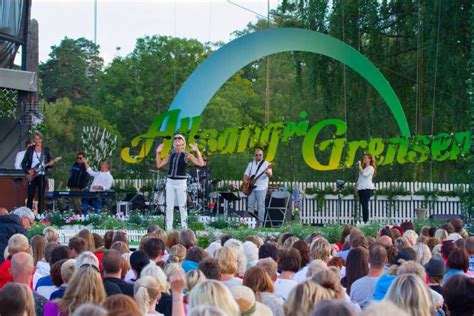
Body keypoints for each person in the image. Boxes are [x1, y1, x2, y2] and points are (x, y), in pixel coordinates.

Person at [155, 133, 205, 231]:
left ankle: (184, 230)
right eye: (175, 138)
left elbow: (201, 163)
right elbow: (159, 165)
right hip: (170, 182)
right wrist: (158, 153)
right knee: (169, 207)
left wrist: (197, 151)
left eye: (179, 138)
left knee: (183, 207)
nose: (177, 139)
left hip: (181, 182)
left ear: (183, 143)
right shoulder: (171, 155)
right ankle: (168, 230)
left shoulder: (187, 155)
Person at [21, 131, 57, 214]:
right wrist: (28, 171)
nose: (36, 141)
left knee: (41, 196)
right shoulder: (30, 149)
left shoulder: (46, 150)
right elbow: (23, 163)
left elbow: (50, 163)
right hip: (32, 175)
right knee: (30, 196)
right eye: (35, 139)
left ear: (41, 140)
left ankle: (40, 215)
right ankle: (28, 214)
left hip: (42, 175)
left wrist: (51, 164)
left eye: (38, 139)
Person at [243, 148, 273, 225]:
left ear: (263, 155)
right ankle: (250, 223)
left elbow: (270, 175)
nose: (258, 156)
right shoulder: (251, 163)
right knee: (250, 205)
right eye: (257, 155)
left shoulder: (267, 164)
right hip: (251, 187)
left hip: (262, 187)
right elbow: (246, 174)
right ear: (255, 155)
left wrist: (267, 173)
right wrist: (246, 182)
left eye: (260, 155)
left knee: (261, 205)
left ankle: (260, 223)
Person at [356, 153, 376, 223]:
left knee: (365, 204)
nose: (364, 159)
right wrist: (357, 187)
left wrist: (360, 166)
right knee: (362, 204)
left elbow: (364, 174)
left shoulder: (371, 168)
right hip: (361, 188)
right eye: (364, 158)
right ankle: (364, 220)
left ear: (369, 159)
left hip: (367, 188)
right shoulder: (363, 168)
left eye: (366, 158)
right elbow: (360, 178)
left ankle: (366, 221)